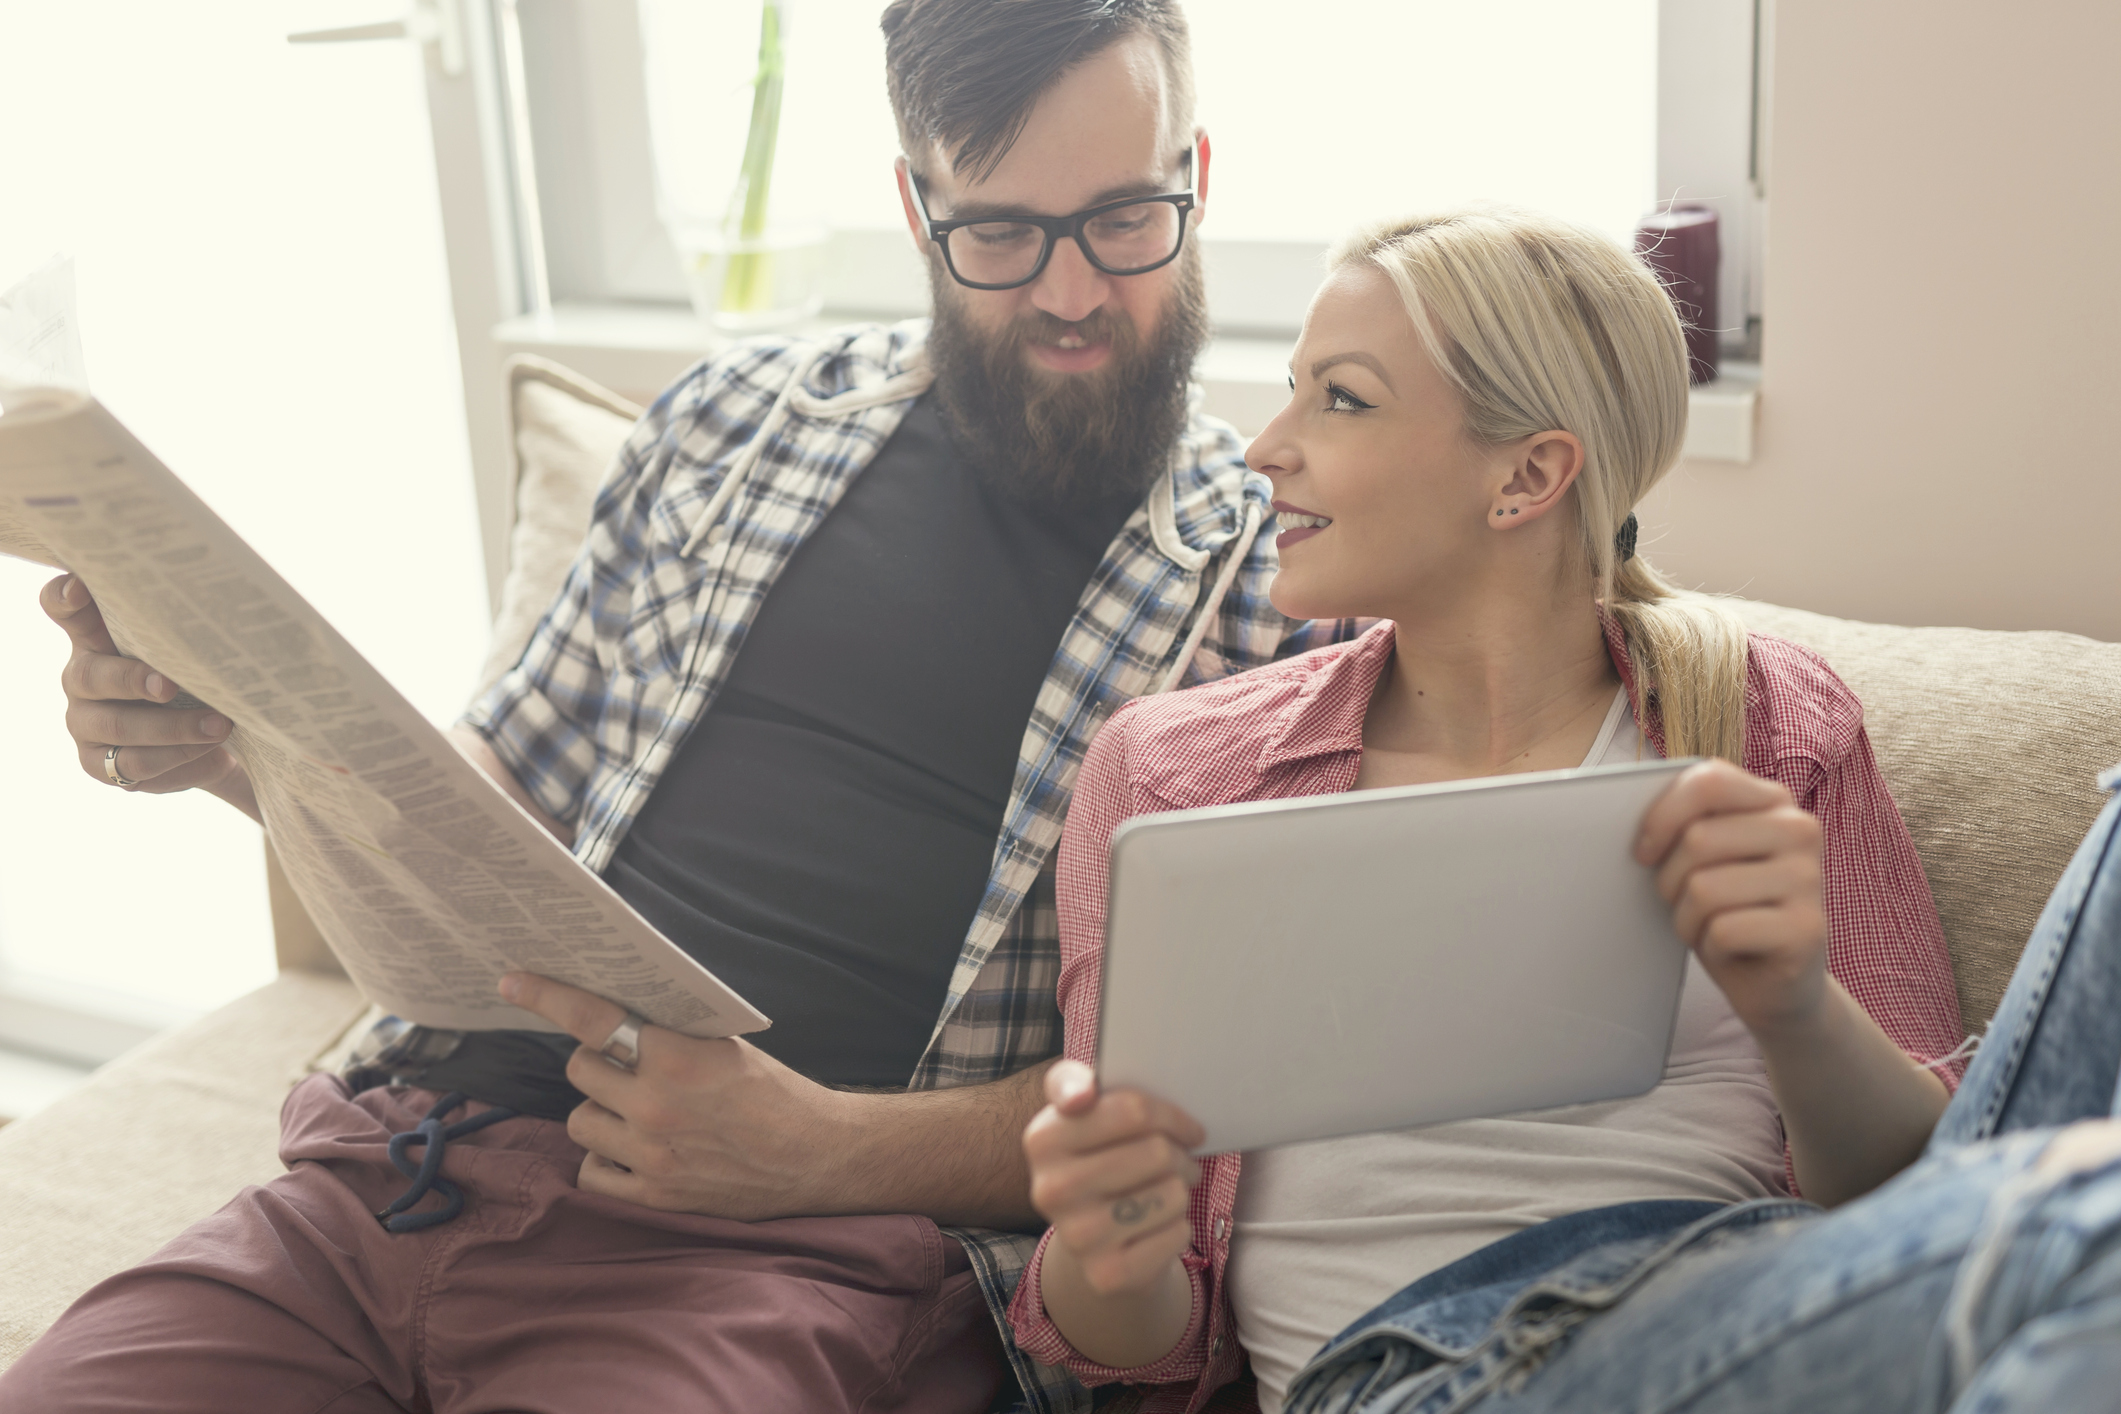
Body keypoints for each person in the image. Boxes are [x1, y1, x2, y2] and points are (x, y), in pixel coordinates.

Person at [0, 4, 1357, 1411]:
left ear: (1196, 176)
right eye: (1001, 234)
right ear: (913, 206)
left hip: (771, 1258)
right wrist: (238, 753)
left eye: (1126, 220)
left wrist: (822, 1148)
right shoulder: (727, 429)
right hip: (395, 1169)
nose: (1071, 292)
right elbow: (485, 812)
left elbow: (1201, 1097)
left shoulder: (1283, 587)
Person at [1012, 205, 2121, 1413]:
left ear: (1528, 476)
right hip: (1417, 1373)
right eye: (1292, 391)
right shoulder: (1177, 774)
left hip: (1752, 1310)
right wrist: (1102, 1236)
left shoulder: (1765, 725)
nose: (1267, 446)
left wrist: (1796, 1005)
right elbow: (1137, 1341)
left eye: (1341, 399)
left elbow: (1924, 1193)